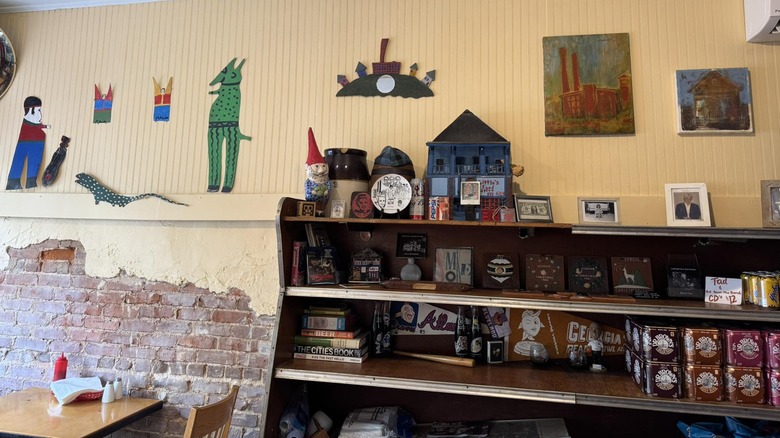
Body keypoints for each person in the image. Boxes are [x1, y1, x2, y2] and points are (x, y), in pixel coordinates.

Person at [7, 96, 47, 190]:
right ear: (30, 110)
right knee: (19, 161)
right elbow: (34, 126)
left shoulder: (34, 123)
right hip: (26, 143)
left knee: (35, 162)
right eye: (38, 111)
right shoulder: (26, 123)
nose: (40, 115)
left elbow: (37, 126)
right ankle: (13, 182)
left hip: (37, 143)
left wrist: (45, 127)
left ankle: (31, 182)